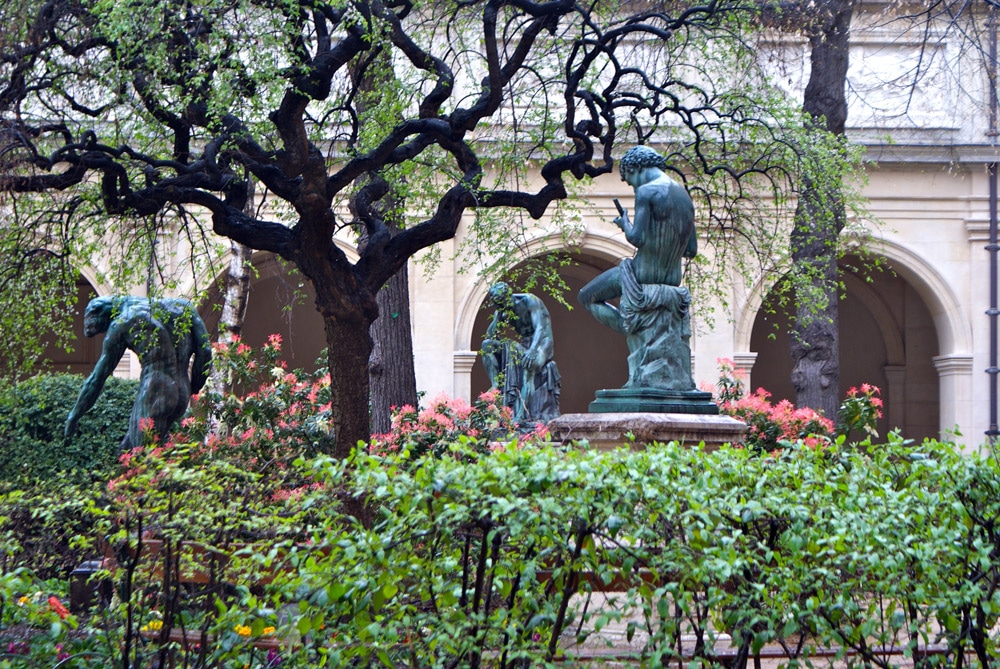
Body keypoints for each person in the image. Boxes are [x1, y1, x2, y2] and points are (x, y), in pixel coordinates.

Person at [579, 145, 698, 390]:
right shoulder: (685, 197)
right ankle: (638, 329)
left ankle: (631, 325)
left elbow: (637, 238)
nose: (632, 185)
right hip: (672, 281)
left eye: (629, 179)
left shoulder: (646, 191)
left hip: (639, 275)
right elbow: (691, 250)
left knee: (587, 297)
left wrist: (625, 223)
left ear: (636, 169)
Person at [65, 295, 212, 450]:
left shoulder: (123, 321)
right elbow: (205, 351)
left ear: (102, 314)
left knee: (142, 459)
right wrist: (194, 385)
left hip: (155, 391)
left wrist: (74, 416)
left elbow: (97, 379)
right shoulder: (182, 306)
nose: (107, 332)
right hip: (182, 390)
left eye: (103, 328)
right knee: (126, 452)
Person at [481, 282, 561, 424]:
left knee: (528, 367)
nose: (502, 308)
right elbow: (490, 336)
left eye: (502, 304)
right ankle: (495, 385)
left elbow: (540, 328)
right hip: (524, 344)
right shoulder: (503, 310)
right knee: (487, 345)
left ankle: (520, 415)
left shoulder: (529, 300)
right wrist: (498, 315)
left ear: (508, 296)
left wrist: (532, 350)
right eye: (498, 305)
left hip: (542, 344)